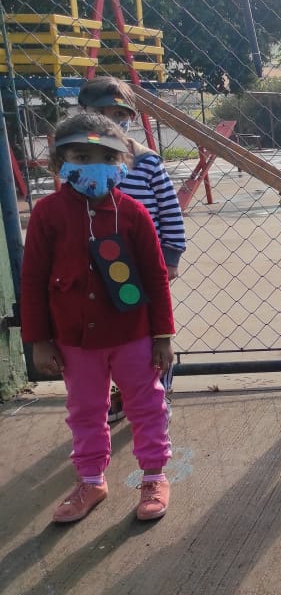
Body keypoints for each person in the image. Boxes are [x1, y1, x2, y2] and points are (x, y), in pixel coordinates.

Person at [21, 113, 176, 522]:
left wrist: (162, 335)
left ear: (122, 162)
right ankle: (91, 480)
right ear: (61, 162)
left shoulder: (134, 213)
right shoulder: (48, 214)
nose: (95, 166)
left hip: (133, 334)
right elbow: (33, 280)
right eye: (81, 156)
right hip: (75, 340)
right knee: (86, 409)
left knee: (147, 405)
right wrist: (39, 340)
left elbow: (156, 277)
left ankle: (154, 475)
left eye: (107, 157)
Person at [78, 76, 186, 423]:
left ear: (132, 118)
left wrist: (170, 256)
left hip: (144, 266)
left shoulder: (147, 162)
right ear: (84, 115)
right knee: (113, 334)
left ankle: (157, 394)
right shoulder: (80, 165)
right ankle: (122, 393)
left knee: (154, 332)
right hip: (99, 266)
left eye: (120, 114)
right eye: (101, 113)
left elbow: (170, 211)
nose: (111, 121)